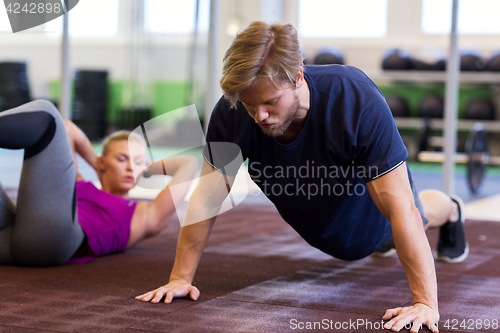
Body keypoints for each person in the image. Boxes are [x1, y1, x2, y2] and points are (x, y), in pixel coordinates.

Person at [135, 22, 468, 333]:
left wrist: (425, 303)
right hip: (312, 212)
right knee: (362, 241)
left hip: (360, 202)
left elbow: (401, 210)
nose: (260, 116)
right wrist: (180, 278)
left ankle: (449, 208)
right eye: (251, 105)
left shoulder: (354, 99)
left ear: (297, 77)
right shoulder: (234, 110)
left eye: (270, 102)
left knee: (389, 230)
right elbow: (207, 197)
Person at [0, 99, 198, 266]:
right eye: (122, 159)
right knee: (53, 119)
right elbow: (68, 128)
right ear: (103, 162)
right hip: (9, 234)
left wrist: (145, 168)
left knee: (48, 115)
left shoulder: (144, 215)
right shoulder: (78, 184)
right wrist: (97, 165)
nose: (130, 167)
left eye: (137, 161)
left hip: (51, 243)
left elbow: (189, 163)